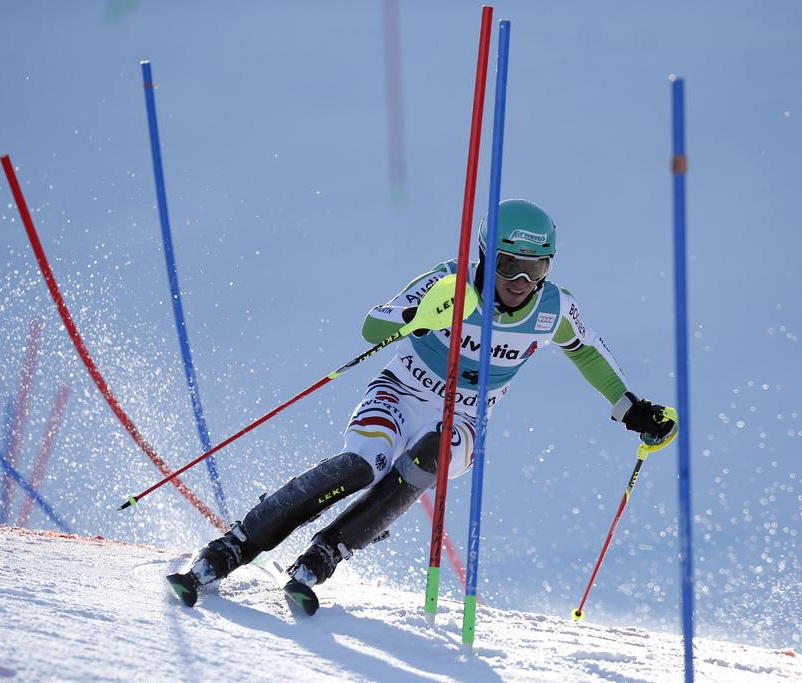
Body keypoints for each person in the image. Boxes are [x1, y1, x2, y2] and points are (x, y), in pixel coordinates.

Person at [167, 199, 676, 613]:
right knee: (360, 465)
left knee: (429, 457)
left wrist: (629, 406)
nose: (521, 284)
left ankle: (327, 553)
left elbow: (586, 350)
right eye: (509, 267)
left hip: (464, 418)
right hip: (403, 390)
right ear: (484, 255)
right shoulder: (451, 282)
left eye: (535, 270)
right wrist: (422, 313)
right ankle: (232, 546)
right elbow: (373, 327)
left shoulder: (552, 309)